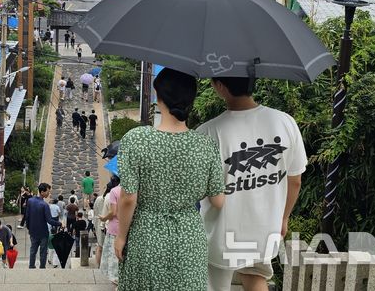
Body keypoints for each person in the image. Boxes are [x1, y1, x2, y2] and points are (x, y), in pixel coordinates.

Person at [114, 68, 225, 291]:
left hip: (147, 234)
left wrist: (120, 238)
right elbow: (218, 201)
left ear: (158, 96)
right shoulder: (205, 145)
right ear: (191, 100)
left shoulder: (136, 139)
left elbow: (128, 198)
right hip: (189, 238)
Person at [197, 77, 307, 291]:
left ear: (220, 86)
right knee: (255, 276)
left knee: (213, 285)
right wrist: (283, 218)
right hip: (265, 227)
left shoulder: (207, 132)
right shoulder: (285, 122)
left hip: (220, 232)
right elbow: (295, 180)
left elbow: (199, 189)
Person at [25, 182, 62, 269]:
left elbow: (27, 216)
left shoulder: (30, 201)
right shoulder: (45, 205)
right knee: (43, 251)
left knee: (33, 250)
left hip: (33, 231)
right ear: (42, 192)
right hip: (43, 233)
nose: (49, 193)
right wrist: (60, 223)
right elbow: (49, 220)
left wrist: (29, 228)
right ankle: (42, 267)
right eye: (47, 191)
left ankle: (31, 266)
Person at [99, 176, 121, 285]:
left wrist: (103, 219)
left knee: (114, 256)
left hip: (114, 228)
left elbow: (113, 212)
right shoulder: (132, 190)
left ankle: (116, 282)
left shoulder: (114, 191)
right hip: (127, 227)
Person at [93, 188, 107, 267]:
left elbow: (95, 211)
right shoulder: (111, 198)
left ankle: (99, 265)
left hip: (99, 223)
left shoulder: (98, 199)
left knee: (100, 246)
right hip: (108, 224)